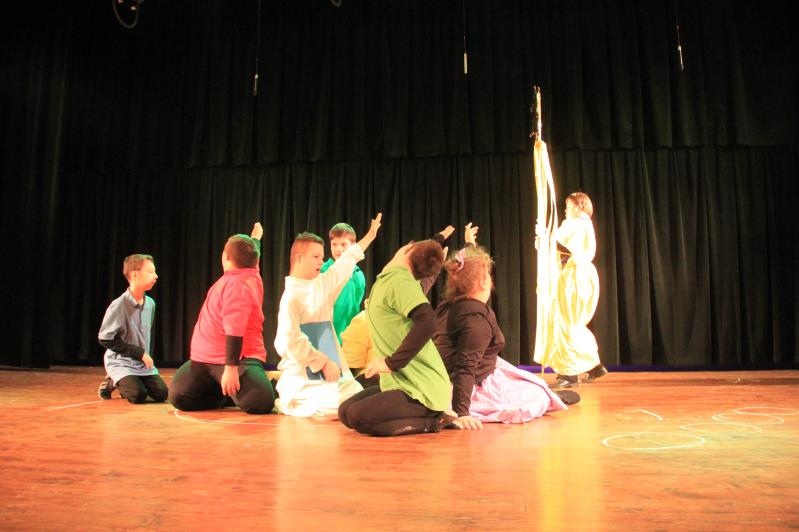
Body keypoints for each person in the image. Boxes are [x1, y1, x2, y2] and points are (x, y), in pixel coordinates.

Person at [433, 223, 575, 429]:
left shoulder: (449, 303)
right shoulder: (476, 320)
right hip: (463, 383)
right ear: (484, 283)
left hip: (467, 370)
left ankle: (546, 392)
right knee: (537, 396)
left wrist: (469, 245)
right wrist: (462, 412)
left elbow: (467, 268)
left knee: (533, 382)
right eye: (488, 275)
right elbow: (466, 366)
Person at [338, 228, 457, 437]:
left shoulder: (400, 281)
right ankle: (430, 416)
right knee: (345, 412)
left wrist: (391, 363)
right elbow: (423, 258)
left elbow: (428, 322)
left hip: (423, 388)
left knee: (358, 417)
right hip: (402, 382)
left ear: (407, 249)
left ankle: (434, 421)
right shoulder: (393, 279)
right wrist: (438, 241)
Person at [273, 214, 382, 417]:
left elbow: (346, 262)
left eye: (322, 257)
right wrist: (322, 361)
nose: (321, 261)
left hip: (333, 369)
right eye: (315, 257)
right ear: (299, 258)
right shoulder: (292, 296)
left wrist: (370, 236)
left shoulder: (321, 283)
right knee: (333, 408)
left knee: (361, 399)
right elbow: (290, 339)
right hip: (304, 374)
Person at [168, 223, 276, 415]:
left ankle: (262, 386)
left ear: (226, 257)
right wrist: (256, 239)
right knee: (179, 396)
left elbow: (235, 328)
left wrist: (231, 368)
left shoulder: (238, 285)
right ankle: (226, 394)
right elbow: (252, 255)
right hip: (204, 360)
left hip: (238, 359)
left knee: (259, 402)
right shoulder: (251, 271)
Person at [538, 192, 607, 387]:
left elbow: (564, 248)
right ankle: (593, 366)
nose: (566, 211)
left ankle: (569, 374)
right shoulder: (585, 225)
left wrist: (546, 236)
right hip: (582, 275)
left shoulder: (575, 224)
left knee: (565, 322)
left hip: (574, 276)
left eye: (568, 207)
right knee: (573, 323)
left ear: (579, 206)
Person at [97, 254, 169, 404]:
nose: (155, 276)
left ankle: (132, 381)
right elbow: (105, 339)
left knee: (161, 394)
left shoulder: (150, 304)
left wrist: (145, 356)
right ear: (135, 275)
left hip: (141, 364)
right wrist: (139, 353)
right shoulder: (119, 305)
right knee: (138, 395)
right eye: (150, 272)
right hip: (121, 362)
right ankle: (112, 380)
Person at [320, 223, 366, 344]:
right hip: (327, 337)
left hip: (350, 337)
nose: (338, 249)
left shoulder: (358, 275)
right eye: (334, 244)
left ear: (354, 247)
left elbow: (356, 304)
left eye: (343, 244)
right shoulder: (323, 271)